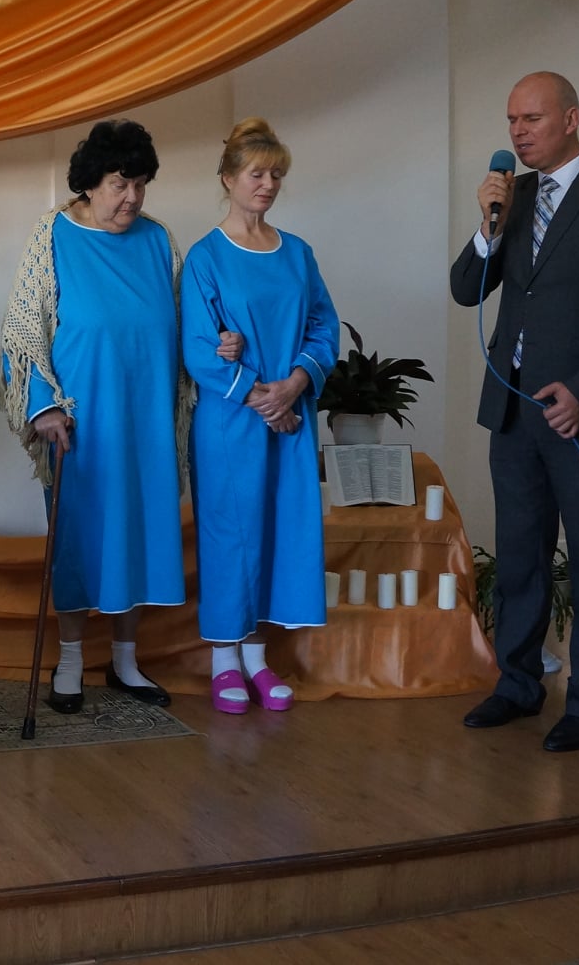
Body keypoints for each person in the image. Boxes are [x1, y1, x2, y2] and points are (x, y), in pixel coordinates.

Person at [450, 71, 579, 753]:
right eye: (511, 120)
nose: (517, 132)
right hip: (513, 411)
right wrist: (487, 227)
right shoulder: (512, 197)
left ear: (571, 118)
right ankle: (517, 684)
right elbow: (465, 289)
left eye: (532, 119)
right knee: (520, 558)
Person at [0, 119, 196, 714]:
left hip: (148, 420)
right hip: (81, 426)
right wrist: (44, 407)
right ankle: (71, 660)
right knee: (79, 541)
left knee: (140, 535)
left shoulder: (159, 240)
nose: (131, 198)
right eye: (119, 184)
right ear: (89, 182)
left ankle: (126, 661)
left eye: (140, 184)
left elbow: (187, 325)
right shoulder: (53, 234)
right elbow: (21, 334)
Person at [181, 118, 339, 714]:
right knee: (232, 534)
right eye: (256, 173)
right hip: (231, 422)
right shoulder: (205, 257)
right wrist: (263, 400)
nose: (268, 184)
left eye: (276, 174)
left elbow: (324, 326)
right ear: (228, 178)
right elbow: (199, 348)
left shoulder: (297, 253)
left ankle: (257, 657)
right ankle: (224, 660)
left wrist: (294, 385)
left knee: (280, 530)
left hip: (291, 415)